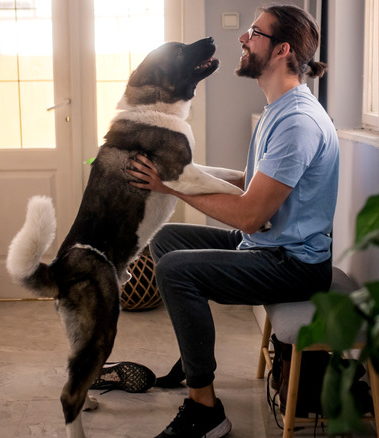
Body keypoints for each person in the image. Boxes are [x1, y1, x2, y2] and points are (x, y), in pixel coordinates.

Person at [127, 5, 338, 438]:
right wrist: (181, 169)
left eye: (253, 33)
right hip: (269, 248)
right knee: (167, 240)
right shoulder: (281, 108)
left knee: (174, 271)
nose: (243, 39)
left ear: (281, 51)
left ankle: (206, 411)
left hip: (292, 265)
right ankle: (194, 361)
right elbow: (252, 183)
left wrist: (171, 188)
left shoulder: (297, 121)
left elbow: (249, 214)